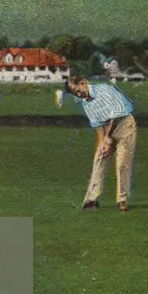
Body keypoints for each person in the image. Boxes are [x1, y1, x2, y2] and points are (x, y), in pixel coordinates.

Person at [61, 75, 138, 212]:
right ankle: (92, 200)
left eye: (78, 90)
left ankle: (122, 200)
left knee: (122, 164)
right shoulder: (85, 102)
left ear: (83, 82)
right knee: (99, 160)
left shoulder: (104, 90)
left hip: (125, 125)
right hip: (107, 129)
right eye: (75, 94)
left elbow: (117, 114)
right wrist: (103, 142)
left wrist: (108, 138)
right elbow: (97, 124)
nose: (79, 95)